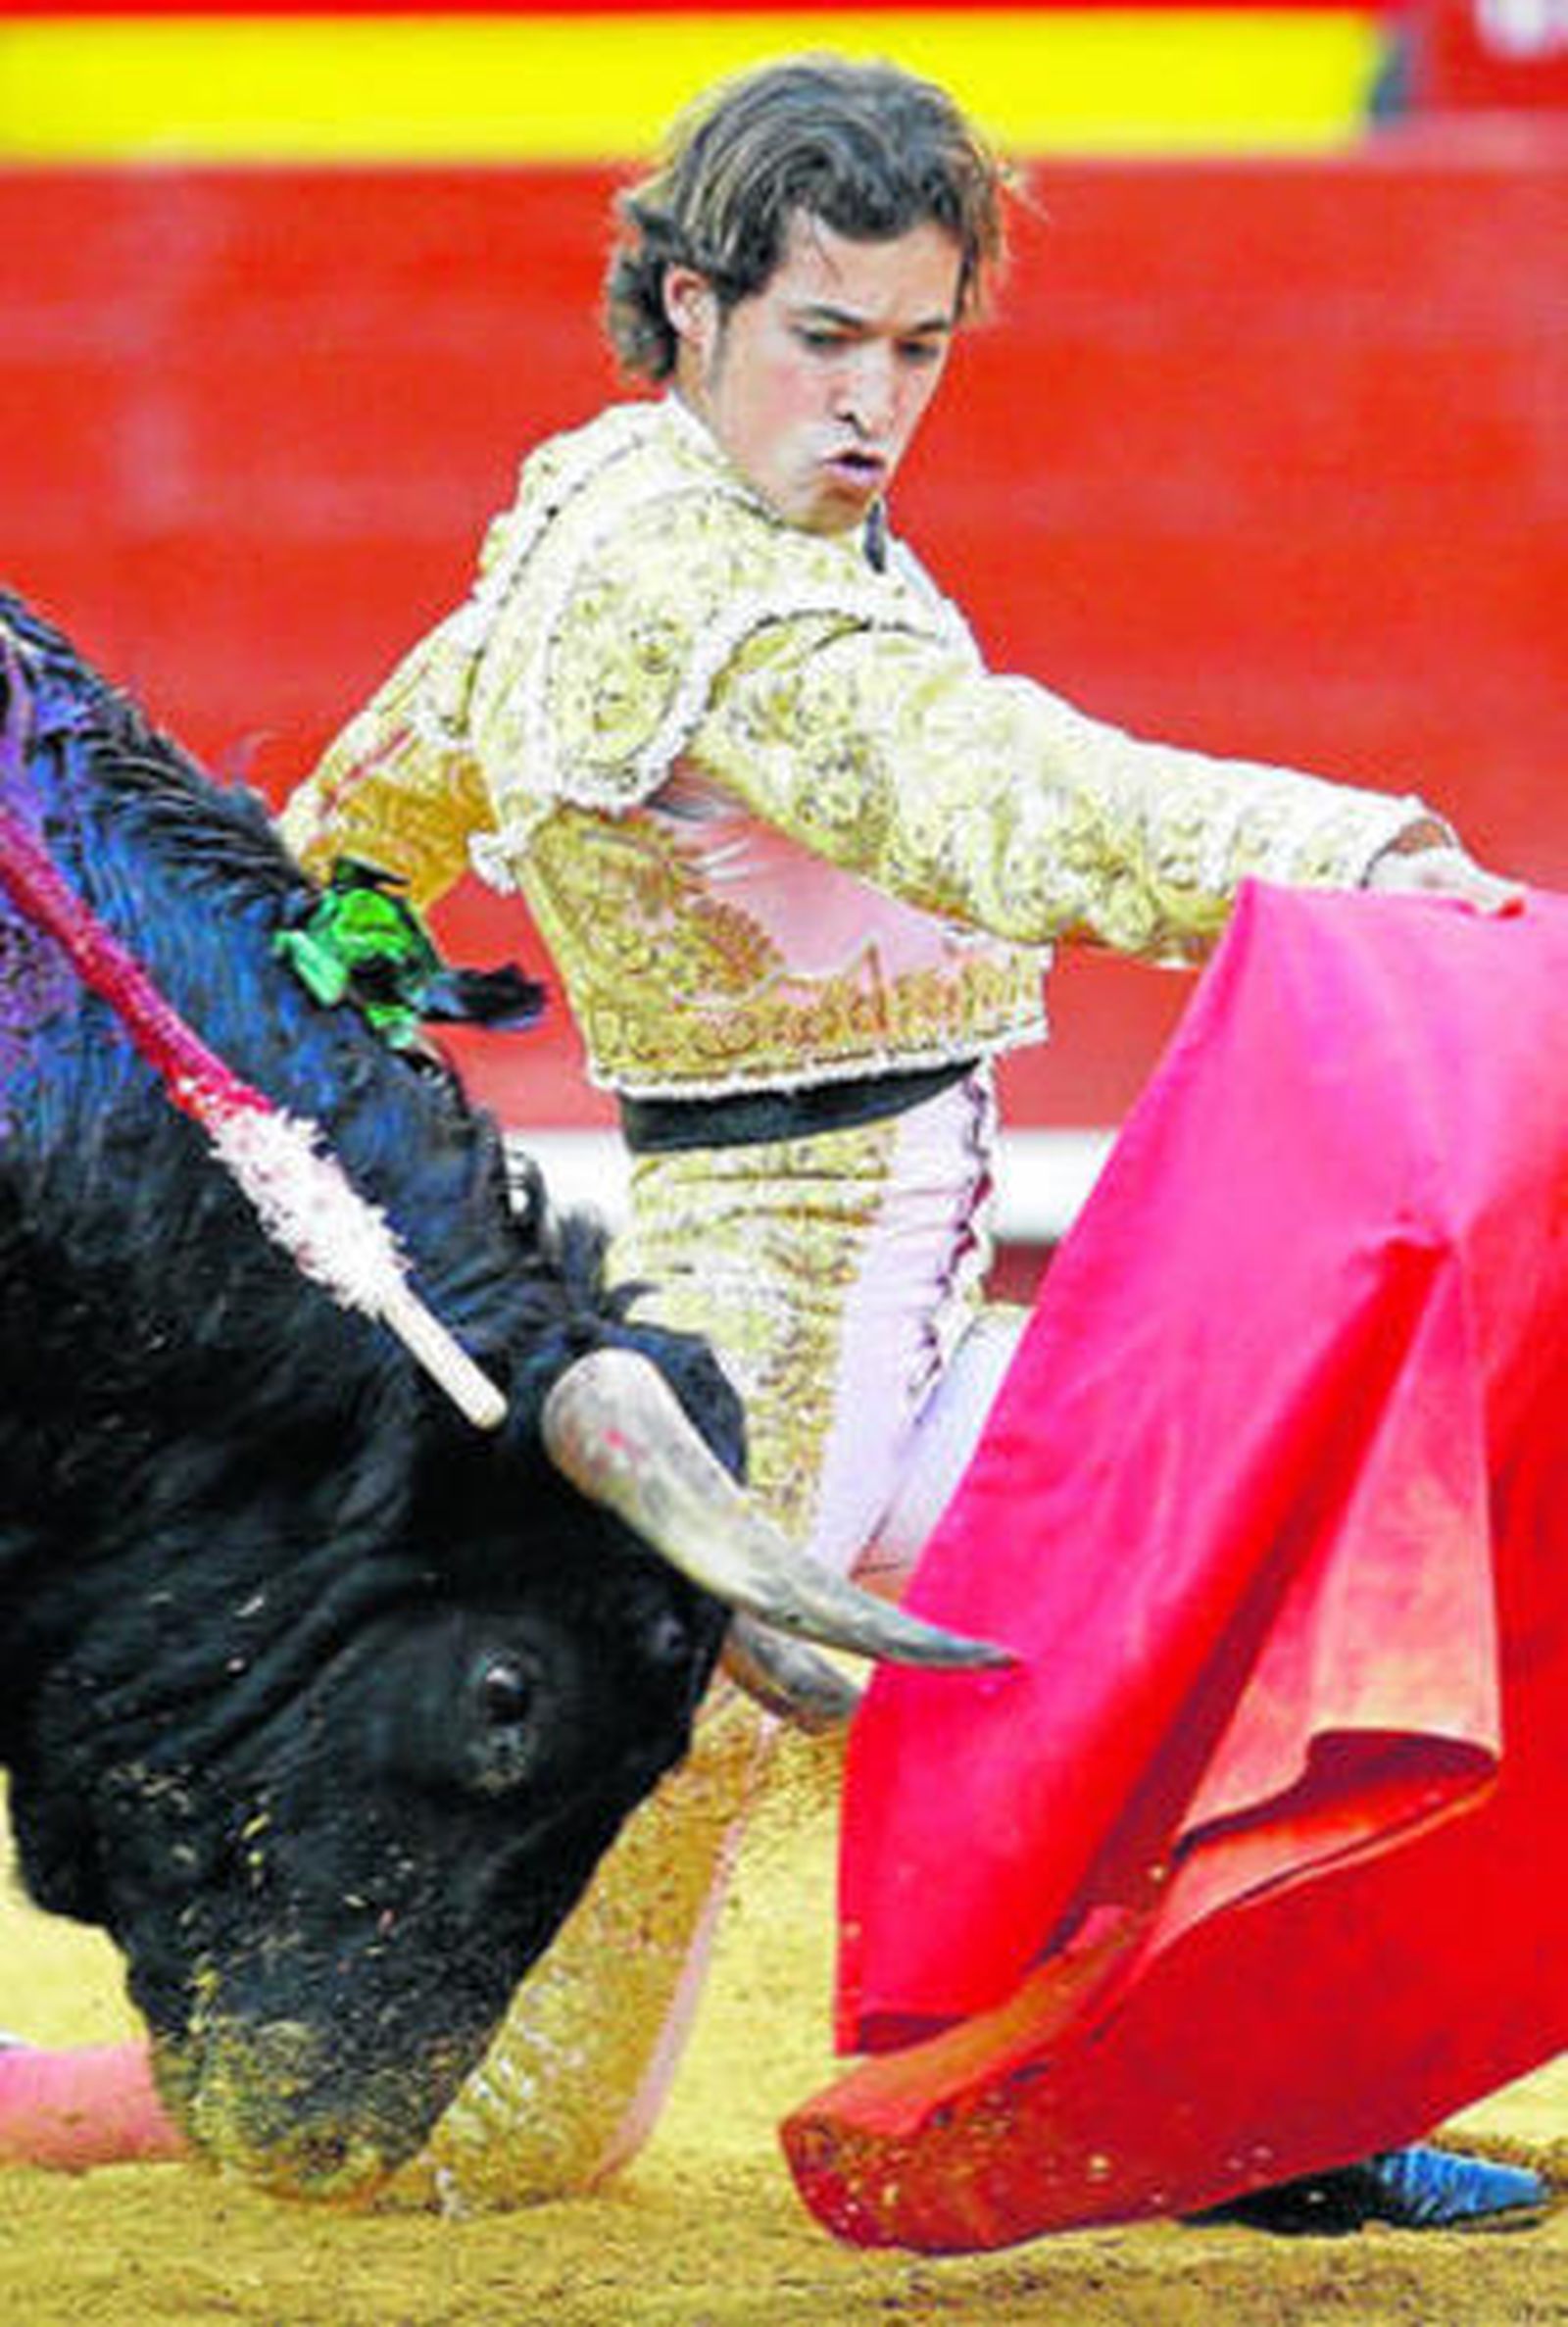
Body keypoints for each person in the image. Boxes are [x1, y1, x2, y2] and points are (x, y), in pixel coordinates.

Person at [3, 54, 1542, 2230]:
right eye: (826, 335)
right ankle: (64, 2097)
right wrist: (1364, 859)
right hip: (776, 1356)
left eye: (917, 347)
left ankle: (1218, 2111)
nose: (873, 403)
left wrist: (337, 967)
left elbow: (373, 811)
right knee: (509, 2129)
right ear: (689, 300)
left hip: (884, 1290)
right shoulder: (713, 606)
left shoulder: (628, 517)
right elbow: (1005, 799)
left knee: (1208, 1599)